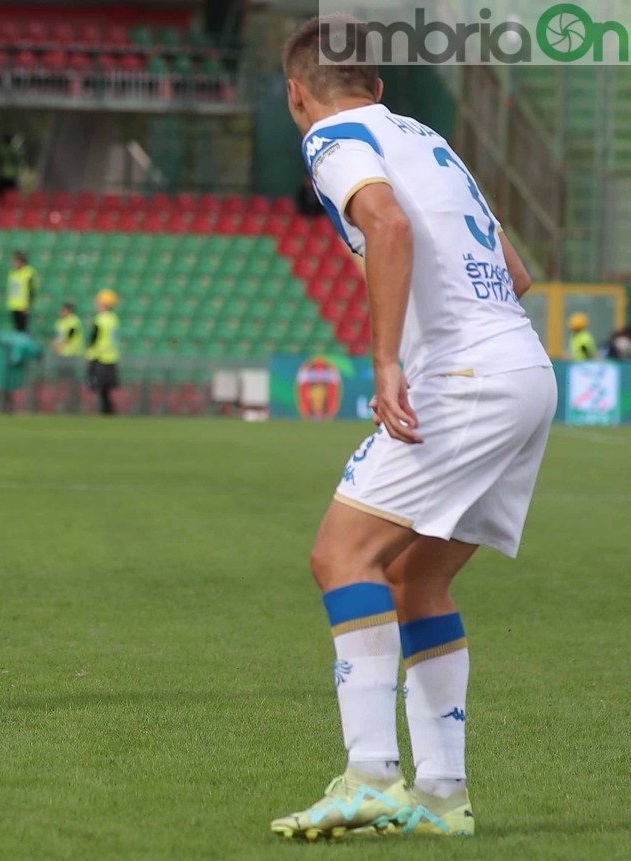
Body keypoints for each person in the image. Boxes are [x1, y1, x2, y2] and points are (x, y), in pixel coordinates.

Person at [270, 17, 555, 841]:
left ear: (296, 93)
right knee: (417, 580)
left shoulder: (331, 134)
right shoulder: (426, 136)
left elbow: (387, 224)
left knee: (342, 554)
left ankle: (370, 776)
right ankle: (442, 793)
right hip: (525, 371)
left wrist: (388, 359)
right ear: (380, 85)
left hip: (463, 378)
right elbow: (519, 271)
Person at [85, 289, 119, 415]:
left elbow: (94, 337)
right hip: (112, 356)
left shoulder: (100, 319)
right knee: (107, 388)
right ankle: (107, 409)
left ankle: (106, 410)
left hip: (99, 356)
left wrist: (89, 353)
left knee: (98, 386)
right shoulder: (114, 318)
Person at [5, 251, 37, 332]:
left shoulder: (28, 272)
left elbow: (32, 290)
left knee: (23, 328)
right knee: (17, 329)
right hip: (14, 305)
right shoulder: (12, 272)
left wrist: (29, 305)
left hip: (23, 306)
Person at [0, 133, 20, 197]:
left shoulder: (2, 150)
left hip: (4, 175)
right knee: (12, 194)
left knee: (1, 195)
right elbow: (17, 163)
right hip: (12, 175)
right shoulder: (14, 151)